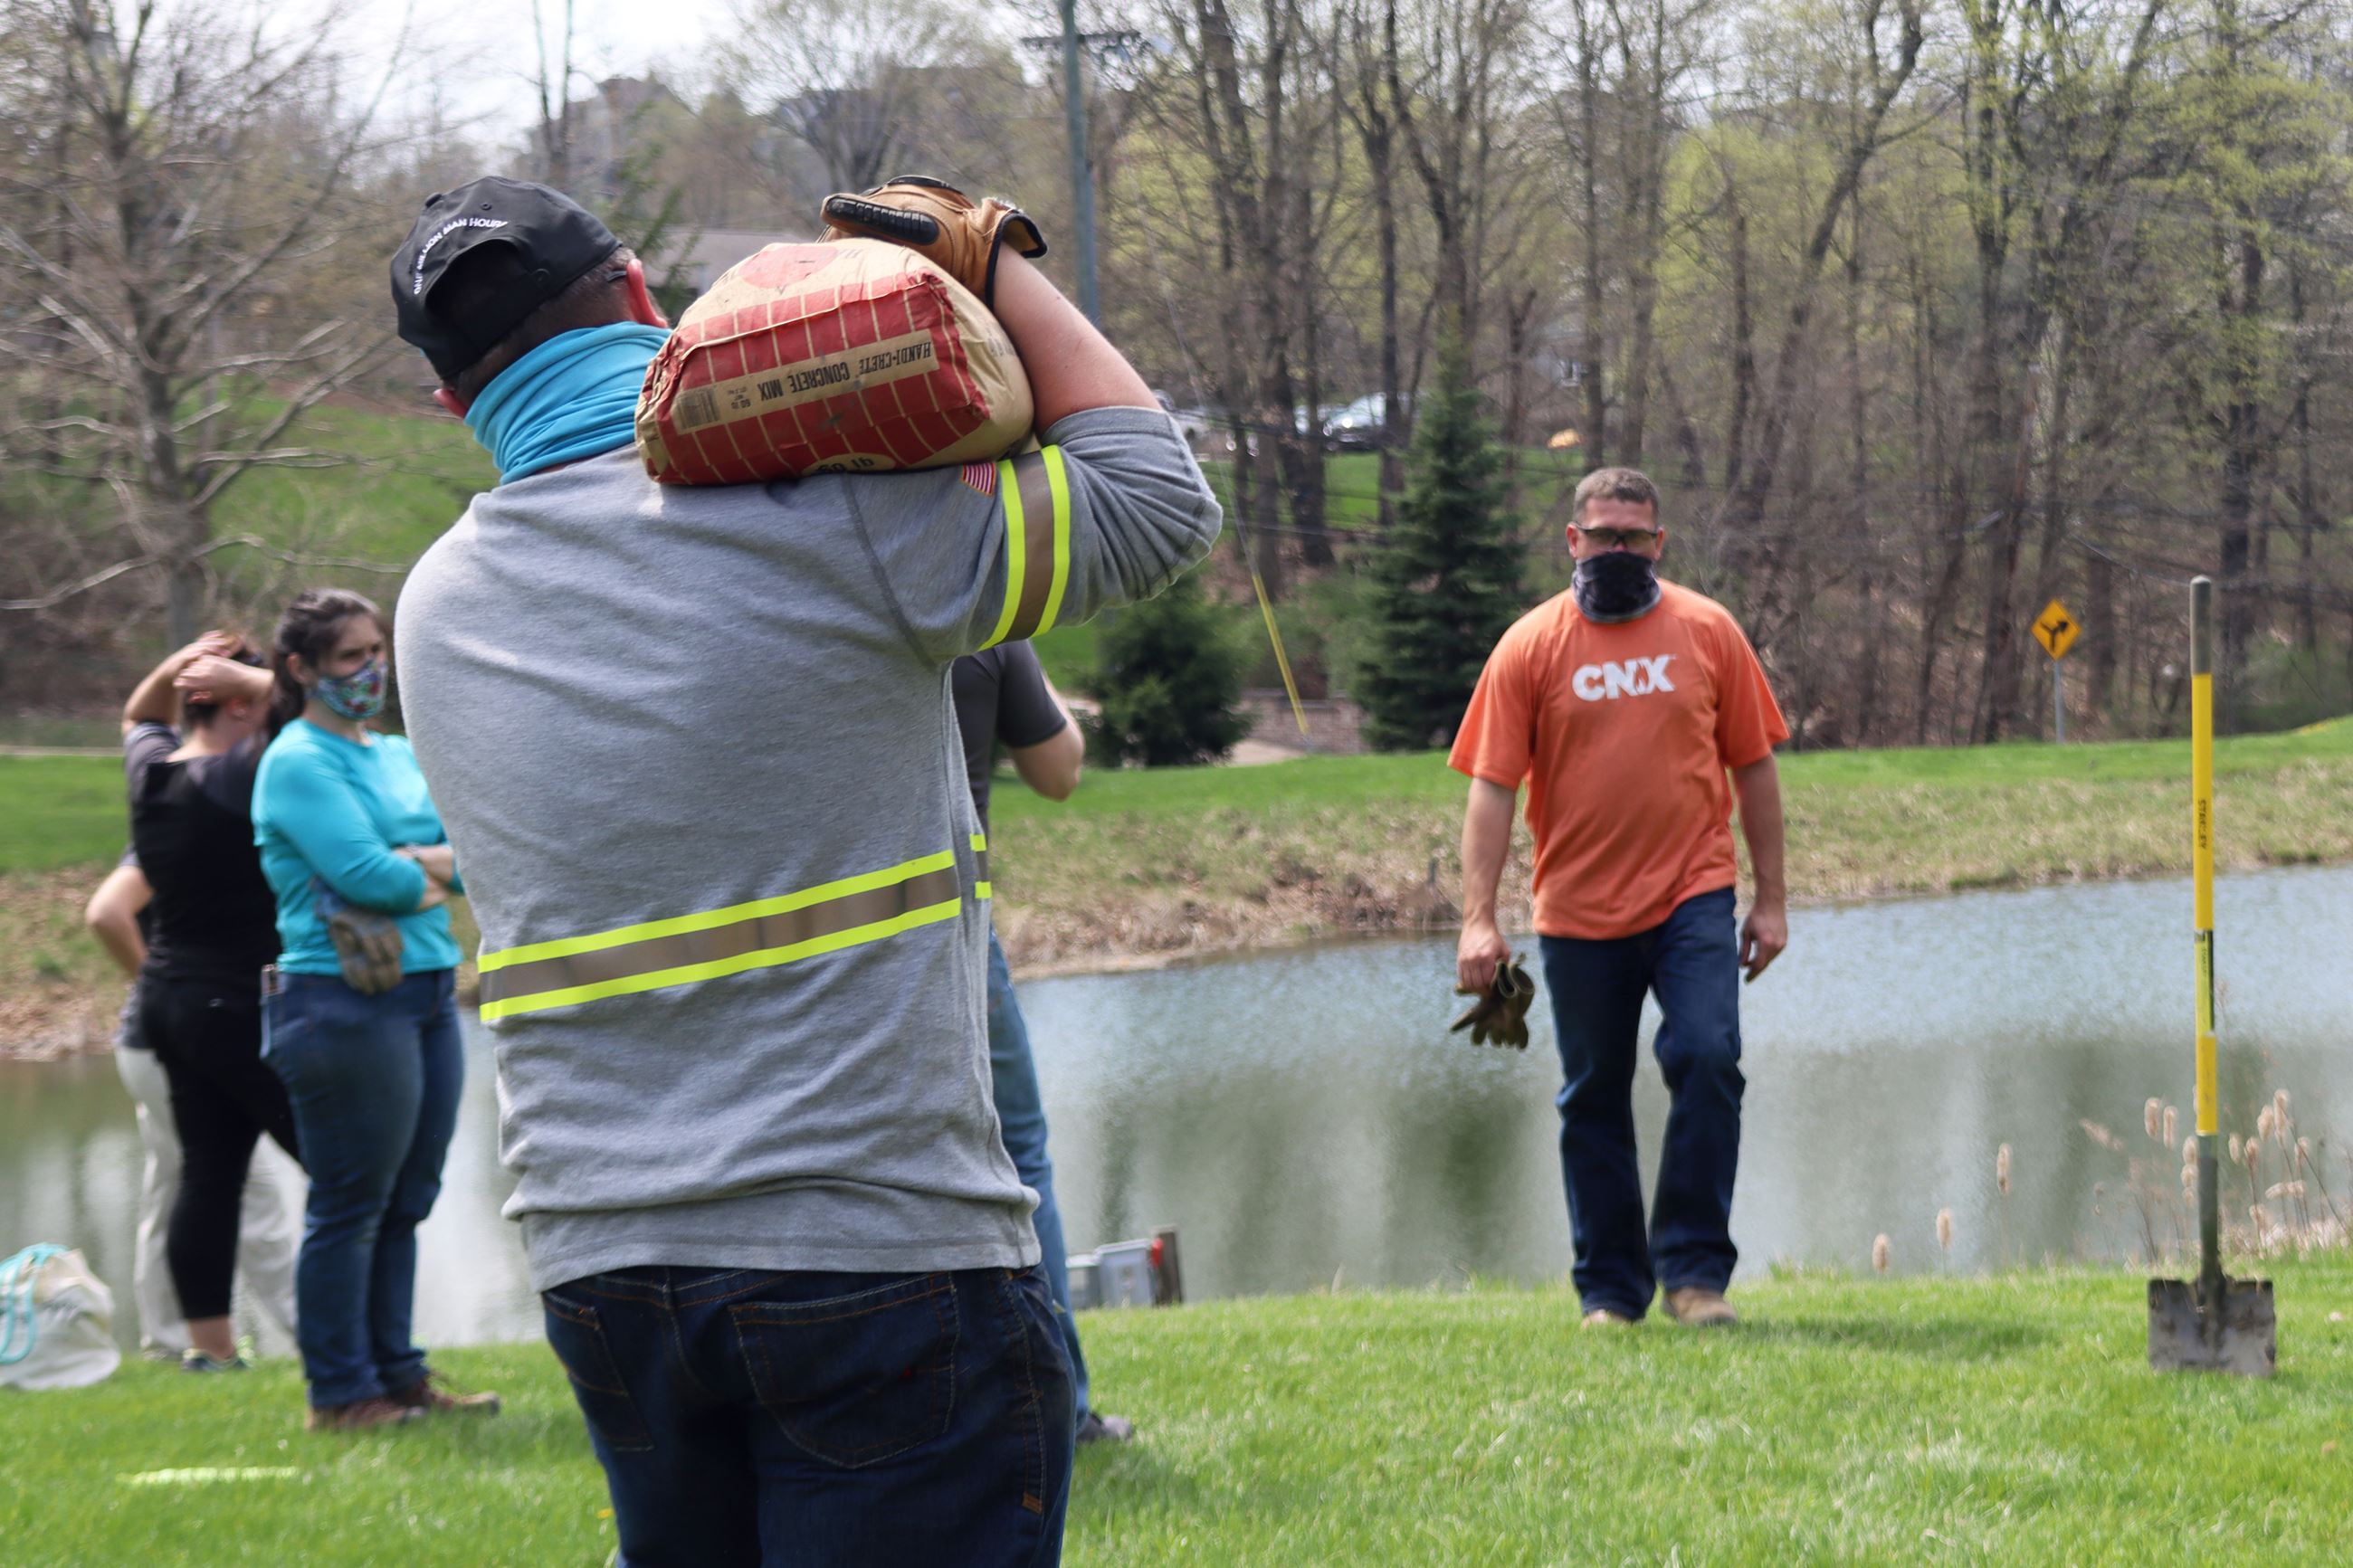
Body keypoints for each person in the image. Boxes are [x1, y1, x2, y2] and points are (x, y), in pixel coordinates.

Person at [388, 176, 1220, 1566]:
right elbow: (1153, 495)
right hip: (877, 1247)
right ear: (648, 297)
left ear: (450, 407)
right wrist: (988, 257)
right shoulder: (837, 522)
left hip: (605, 1270)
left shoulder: (434, 607)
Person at [1451, 466, 1790, 1329]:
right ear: (1573, 541)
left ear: (1659, 543)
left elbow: (1754, 766)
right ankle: (1611, 1291)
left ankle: (1695, 1275)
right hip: (1576, 912)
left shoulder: (1707, 631)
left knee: (1710, 1058)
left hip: (1694, 896)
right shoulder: (1531, 645)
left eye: (1634, 537)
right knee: (1593, 1095)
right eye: (1602, 536)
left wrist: (1772, 899)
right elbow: (1491, 788)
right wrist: (1478, 918)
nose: (1618, 551)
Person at [250, 589, 490, 1431]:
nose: (372, 670)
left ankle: (400, 1375)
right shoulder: (297, 761)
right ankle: (342, 1393)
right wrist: (427, 867)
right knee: (351, 1203)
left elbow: (474, 853)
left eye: (376, 651)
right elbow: (372, 879)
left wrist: (420, 864)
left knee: (410, 1197)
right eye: (351, 657)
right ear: (302, 668)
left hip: (426, 990)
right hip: (339, 1002)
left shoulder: (391, 753)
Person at [952, 644, 1130, 1446]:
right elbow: (1059, 769)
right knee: (1018, 1160)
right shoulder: (978, 607)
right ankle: (1062, 1406)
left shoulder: (800, 586)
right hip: (948, 930)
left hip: (808, 937)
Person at [119, 634, 303, 1370]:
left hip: (170, 1001)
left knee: (208, 1173)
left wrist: (175, 665)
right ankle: (356, 1348)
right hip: (238, 1003)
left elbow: (138, 712)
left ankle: (211, 1350)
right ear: (236, 705)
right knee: (347, 1170)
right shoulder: (238, 775)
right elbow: (306, 712)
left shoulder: (154, 772)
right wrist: (251, 678)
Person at [85, 851, 300, 1361]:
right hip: (173, 1043)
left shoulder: (203, 828)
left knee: (172, 1188)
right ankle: (318, 1338)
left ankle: (167, 1340)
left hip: (157, 1043)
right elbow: (105, 913)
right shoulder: (183, 830)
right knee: (250, 1190)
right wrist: (167, 993)